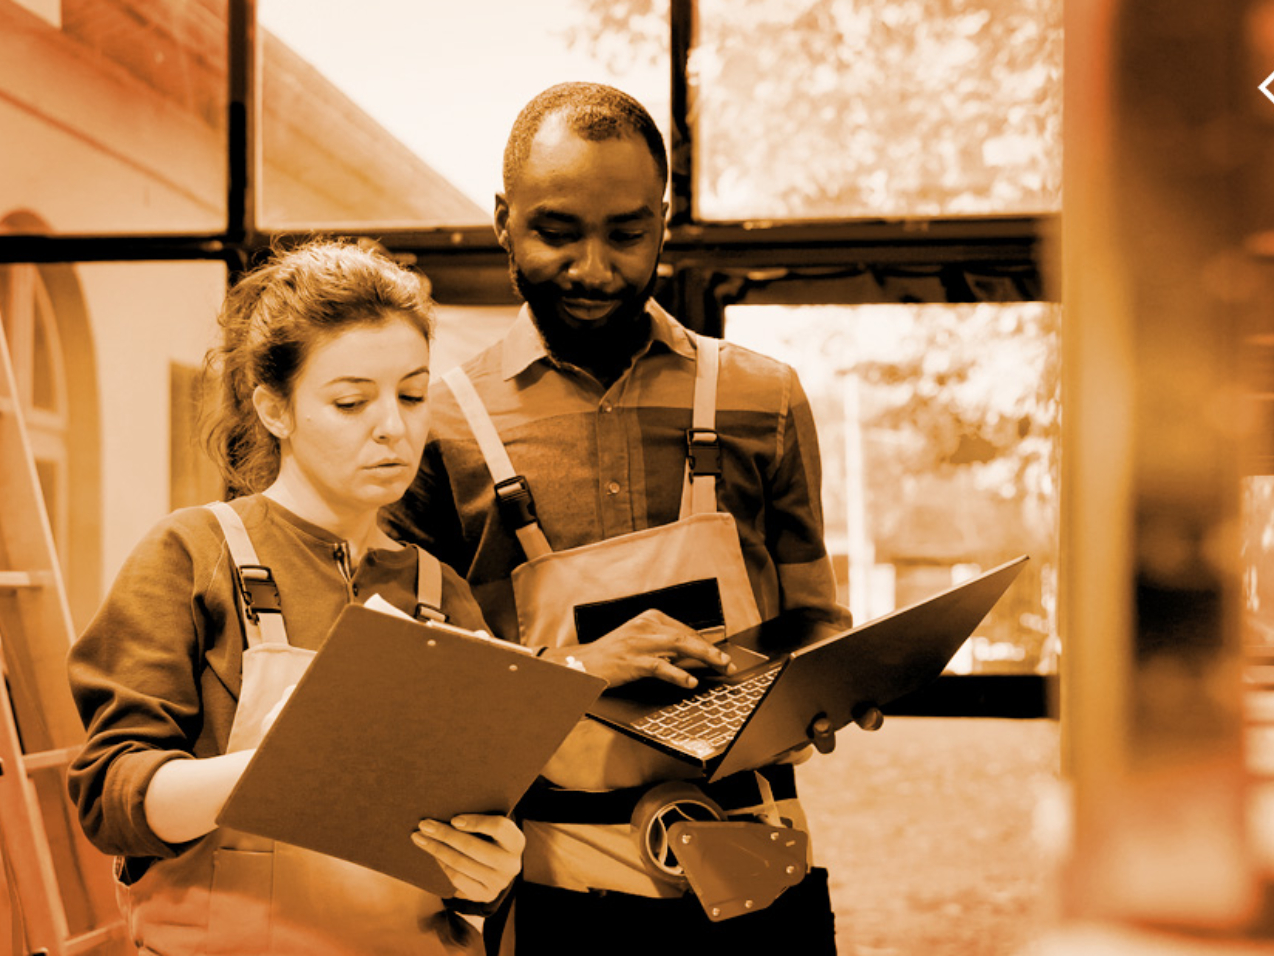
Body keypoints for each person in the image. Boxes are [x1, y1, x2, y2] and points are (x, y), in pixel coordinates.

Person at [383, 82, 863, 956]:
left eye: (627, 233)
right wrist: (574, 671)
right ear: (502, 220)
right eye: (557, 232)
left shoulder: (767, 397)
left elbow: (814, 623)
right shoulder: (435, 428)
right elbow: (416, 700)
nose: (595, 269)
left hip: (756, 871)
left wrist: (838, 687)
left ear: (666, 222)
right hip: (549, 882)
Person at [68, 239, 523, 956]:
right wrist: (278, 771)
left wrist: (489, 873)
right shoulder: (189, 556)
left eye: (410, 394)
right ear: (274, 408)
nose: (392, 427)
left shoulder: (444, 594)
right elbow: (110, 797)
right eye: (350, 401)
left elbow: (468, 843)